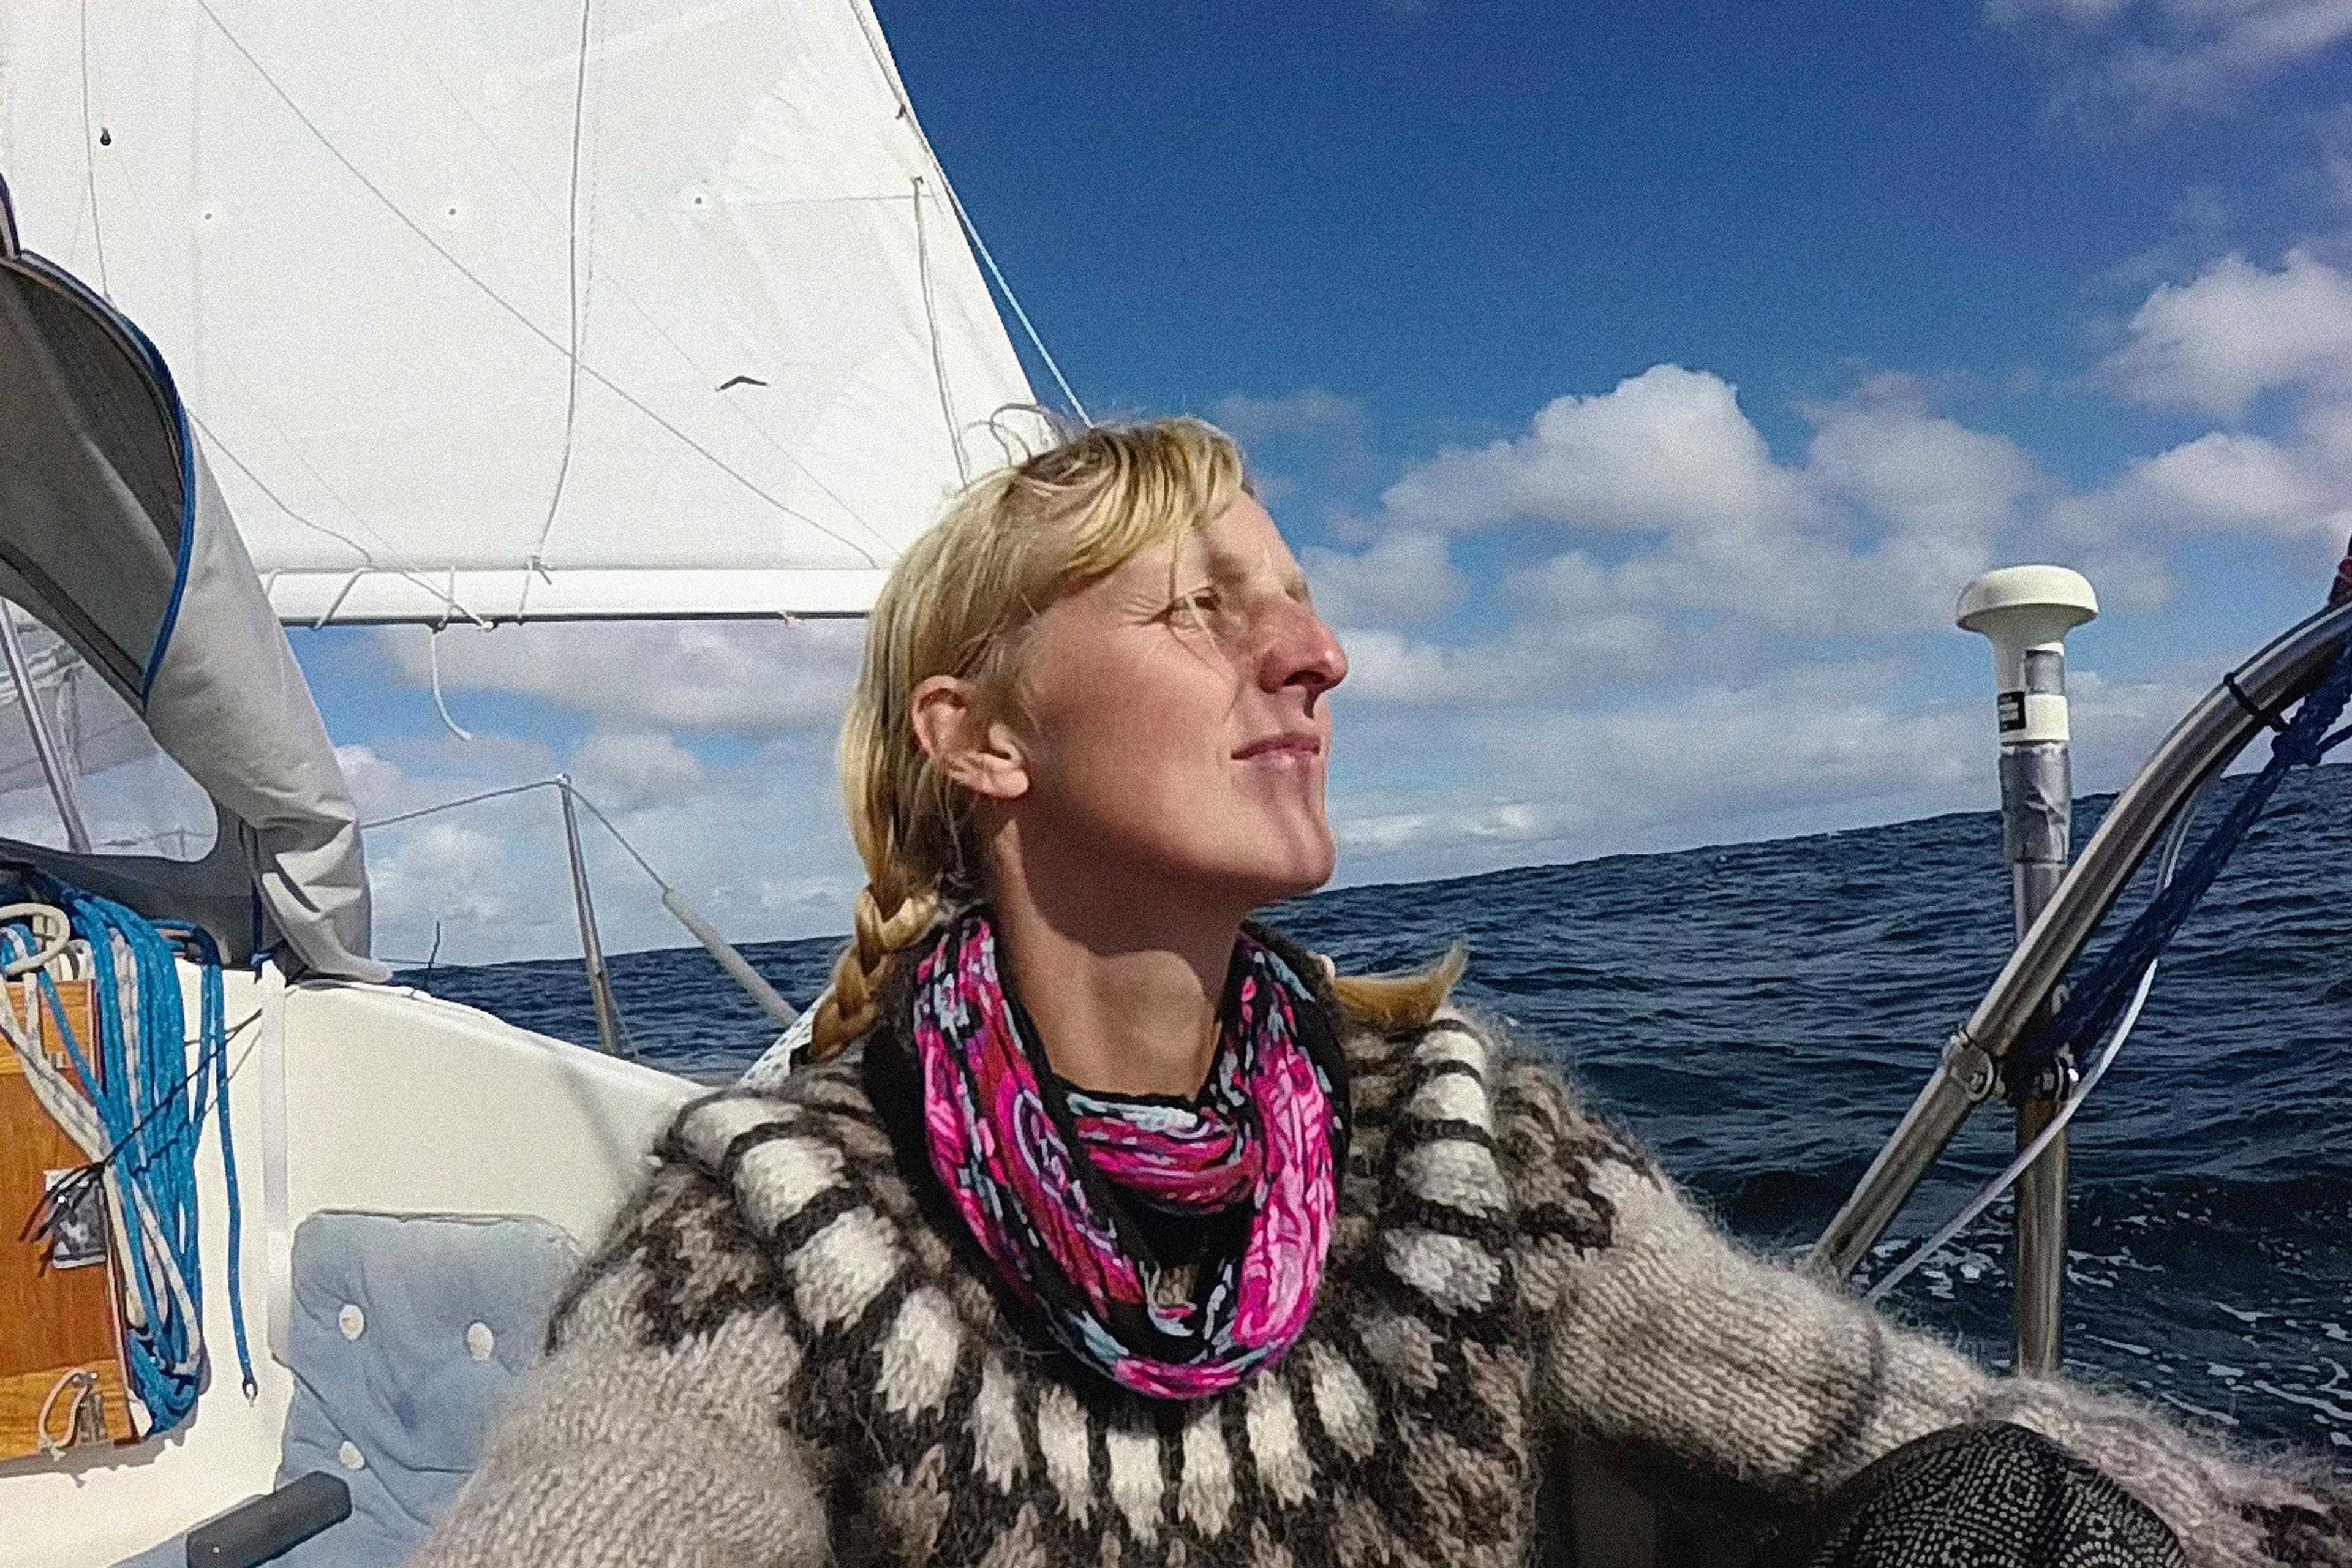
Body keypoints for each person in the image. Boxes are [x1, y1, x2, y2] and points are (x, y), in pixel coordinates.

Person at [413, 419, 2350, 1568]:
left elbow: (1853, 1410)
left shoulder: (1456, 1143)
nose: (1319, 655)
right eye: (1205, 610)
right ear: (983, 737)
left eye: (1301, 603)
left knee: (2009, 1513)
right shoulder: (775, 1229)